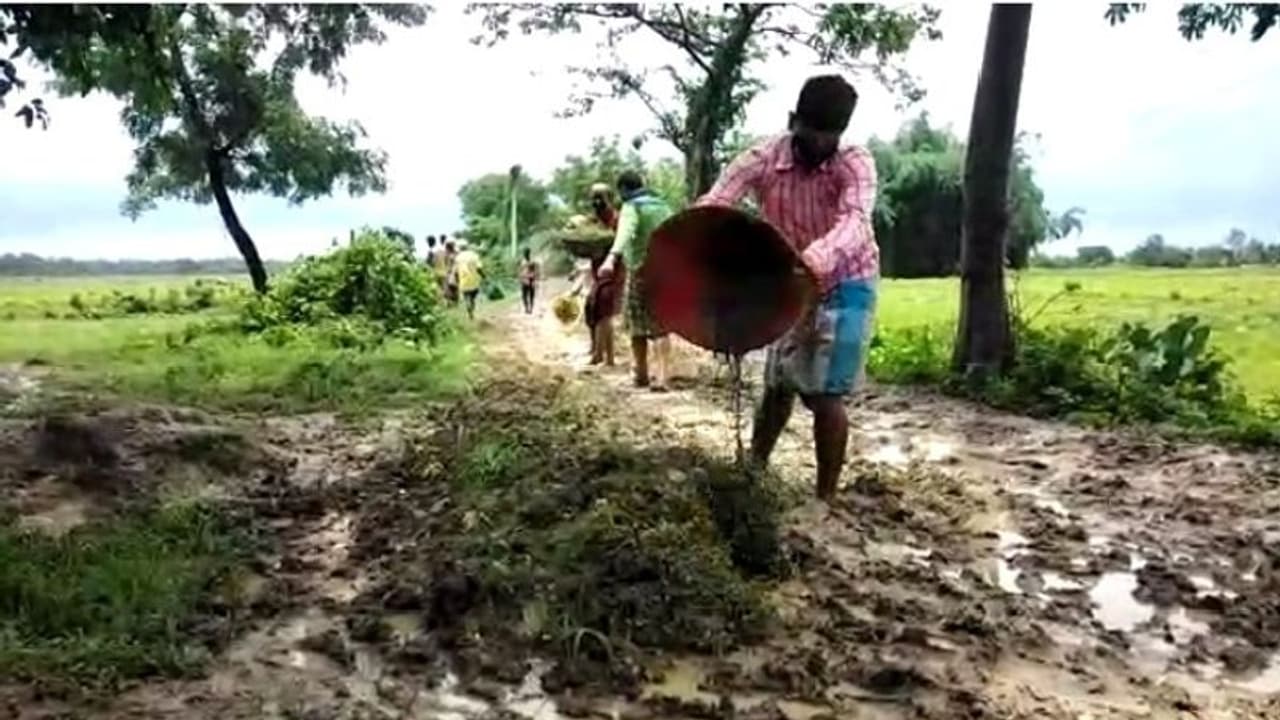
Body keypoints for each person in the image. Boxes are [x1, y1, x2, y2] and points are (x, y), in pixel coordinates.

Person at [694, 74, 878, 502]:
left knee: (825, 394)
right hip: (789, 282)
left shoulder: (855, 163)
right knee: (778, 383)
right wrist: (700, 243)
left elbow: (856, 220)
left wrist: (814, 260)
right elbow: (718, 201)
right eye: (812, 133)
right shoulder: (761, 159)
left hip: (847, 280)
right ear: (793, 120)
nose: (820, 144)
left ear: (842, 132)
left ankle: (825, 498)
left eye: (830, 136)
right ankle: (754, 469)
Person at [600, 170, 674, 390]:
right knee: (661, 325)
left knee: (637, 325)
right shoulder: (662, 206)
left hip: (640, 271)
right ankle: (662, 377)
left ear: (623, 189)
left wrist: (611, 258)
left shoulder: (632, 207)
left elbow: (624, 233)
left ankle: (641, 374)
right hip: (664, 271)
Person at [584, 184, 623, 366]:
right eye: (594, 197)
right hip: (597, 272)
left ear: (610, 199)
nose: (597, 201)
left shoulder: (617, 219)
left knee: (604, 313)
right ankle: (597, 350)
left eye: (600, 197)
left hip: (614, 271)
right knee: (591, 309)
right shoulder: (593, 221)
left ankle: (607, 357)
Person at [453, 240, 484, 319]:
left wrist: (456, 280)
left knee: (466, 296)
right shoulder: (474, 255)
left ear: (459, 248)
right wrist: (483, 275)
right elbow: (479, 268)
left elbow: (455, 272)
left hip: (463, 280)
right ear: (467, 246)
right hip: (474, 280)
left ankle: (469, 308)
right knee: (473, 297)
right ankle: (471, 307)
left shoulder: (458, 258)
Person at [518, 247, 539, 314]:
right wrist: (520, 278)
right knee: (525, 296)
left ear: (529, 253)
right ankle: (527, 308)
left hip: (529, 279)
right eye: (525, 253)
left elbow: (534, 271)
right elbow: (520, 271)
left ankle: (530, 308)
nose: (525, 254)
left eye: (526, 252)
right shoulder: (522, 261)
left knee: (530, 295)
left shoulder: (531, 262)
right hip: (525, 279)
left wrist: (534, 280)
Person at [442, 240, 460, 306]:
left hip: (452, 272)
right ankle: (451, 302)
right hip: (452, 272)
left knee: (452, 287)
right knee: (452, 287)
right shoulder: (452, 253)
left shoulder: (452, 253)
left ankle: (452, 302)